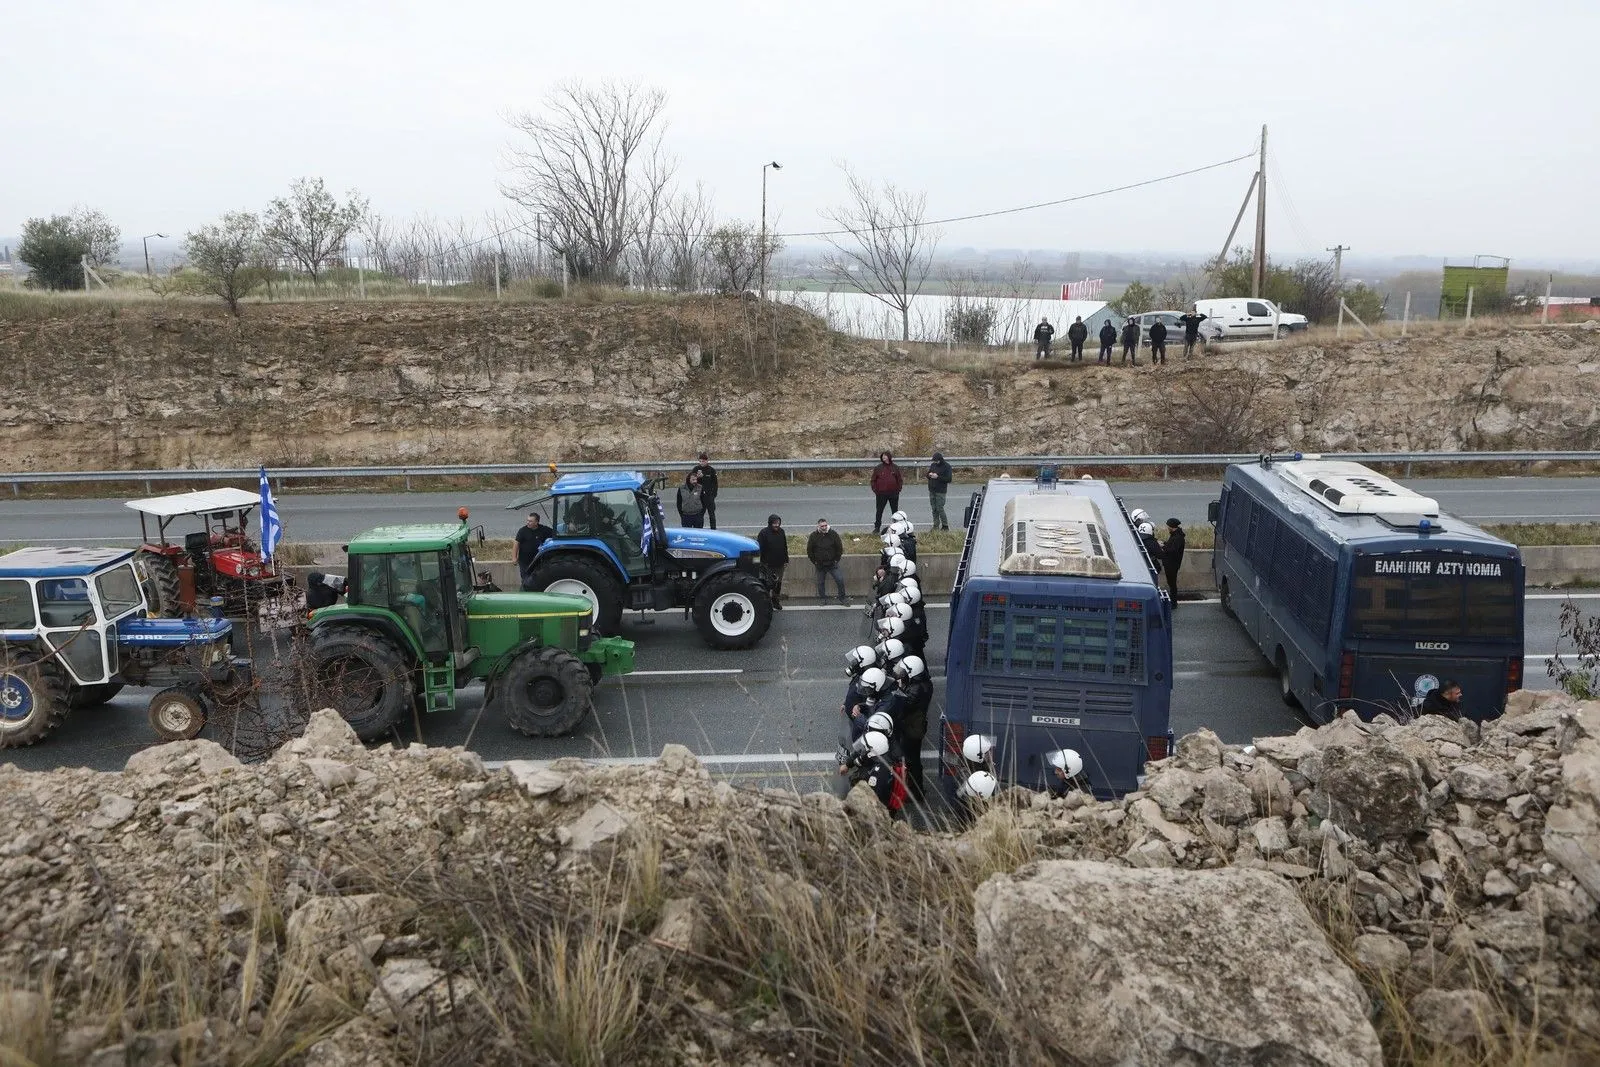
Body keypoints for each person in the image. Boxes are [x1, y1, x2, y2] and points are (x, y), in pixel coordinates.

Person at [888, 655, 933, 802]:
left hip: (912, 728)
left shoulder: (916, 689)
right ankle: (916, 791)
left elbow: (904, 704)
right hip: (914, 726)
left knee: (910, 760)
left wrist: (898, 689)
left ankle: (914, 792)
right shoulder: (921, 684)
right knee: (913, 759)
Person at [807, 517, 848, 604]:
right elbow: (809, 550)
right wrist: (815, 561)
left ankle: (842, 598)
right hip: (820, 565)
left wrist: (836, 560)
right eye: (822, 526)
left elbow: (839, 547)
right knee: (820, 583)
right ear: (818, 526)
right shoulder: (813, 536)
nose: (824, 527)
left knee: (840, 580)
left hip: (832, 564)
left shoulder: (833, 534)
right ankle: (823, 599)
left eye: (825, 525)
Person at [512, 512, 553, 590]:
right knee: (525, 580)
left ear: (537, 522)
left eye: (530, 521)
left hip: (538, 561)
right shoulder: (523, 531)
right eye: (527, 520)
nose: (528, 522)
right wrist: (514, 557)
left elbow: (555, 535)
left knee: (538, 580)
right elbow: (516, 544)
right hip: (524, 561)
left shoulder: (544, 529)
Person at [756, 513, 788, 610]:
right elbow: (759, 549)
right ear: (770, 523)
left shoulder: (782, 532)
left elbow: (784, 546)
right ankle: (765, 603)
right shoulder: (763, 533)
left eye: (778, 523)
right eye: (774, 523)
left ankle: (775, 601)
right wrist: (761, 563)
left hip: (780, 564)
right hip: (768, 565)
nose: (777, 525)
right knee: (768, 585)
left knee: (778, 584)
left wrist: (786, 559)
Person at [870, 452, 903, 533]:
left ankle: (896, 527)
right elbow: (873, 480)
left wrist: (898, 490)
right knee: (879, 511)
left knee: (895, 511)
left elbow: (899, 479)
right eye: (883, 456)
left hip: (893, 493)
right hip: (881, 494)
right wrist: (875, 490)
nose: (884, 457)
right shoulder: (878, 468)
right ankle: (877, 527)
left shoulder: (895, 467)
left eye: (885, 456)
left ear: (889, 457)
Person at [691, 452, 720, 529]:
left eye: (703, 461)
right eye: (700, 461)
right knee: (700, 515)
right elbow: (691, 481)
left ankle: (713, 530)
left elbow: (715, 483)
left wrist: (714, 495)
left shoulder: (711, 470)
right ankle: (700, 530)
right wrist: (697, 478)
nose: (701, 463)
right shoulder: (696, 469)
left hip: (709, 496)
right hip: (699, 496)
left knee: (711, 514)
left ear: (707, 461)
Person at [926, 451, 953, 531]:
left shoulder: (947, 466)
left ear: (940, 459)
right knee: (934, 509)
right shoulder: (933, 465)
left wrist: (937, 477)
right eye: (934, 461)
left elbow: (949, 479)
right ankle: (936, 525)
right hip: (932, 490)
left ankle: (945, 526)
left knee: (940, 508)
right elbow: (927, 475)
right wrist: (929, 475)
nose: (935, 462)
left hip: (941, 491)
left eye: (936, 460)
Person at [1162, 518, 1186, 604]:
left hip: (1172, 564)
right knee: (1171, 583)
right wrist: (1164, 543)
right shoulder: (1175, 535)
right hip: (1170, 563)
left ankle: (1173, 602)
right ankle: (1173, 601)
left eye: (1168, 526)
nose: (1167, 528)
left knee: (1172, 583)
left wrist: (1163, 547)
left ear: (1172, 527)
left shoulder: (1178, 538)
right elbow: (1171, 546)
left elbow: (1173, 550)